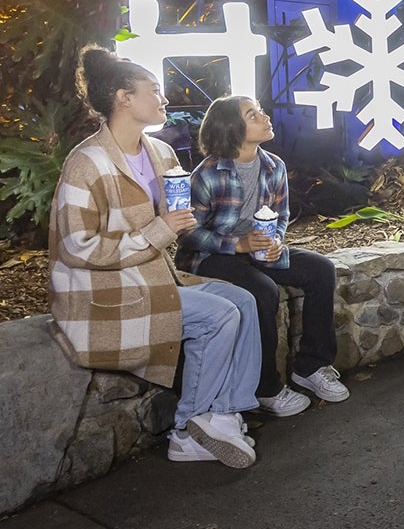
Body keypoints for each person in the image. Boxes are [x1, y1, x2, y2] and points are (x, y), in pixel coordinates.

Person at [48, 46, 260, 468]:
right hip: (101, 292)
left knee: (244, 300)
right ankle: (186, 430)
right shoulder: (86, 164)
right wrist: (160, 229)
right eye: (155, 90)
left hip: (152, 276)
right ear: (124, 98)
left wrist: (180, 225)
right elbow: (78, 248)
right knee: (219, 315)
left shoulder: (160, 154)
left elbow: (171, 224)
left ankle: (223, 413)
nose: (164, 99)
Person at [176, 96, 349, 410]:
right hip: (210, 257)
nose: (264, 117)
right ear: (232, 129)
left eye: (260, 111)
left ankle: (310, 367)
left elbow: (280, 217)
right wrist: (238, 245)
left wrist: (275, 242)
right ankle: (266, 387)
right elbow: (188, 233)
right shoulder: (207, 174)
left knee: (321, 269)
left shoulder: (273, 166)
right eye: (252, 114)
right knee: (262, 291)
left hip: (257, 250)